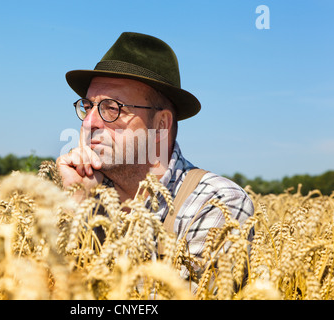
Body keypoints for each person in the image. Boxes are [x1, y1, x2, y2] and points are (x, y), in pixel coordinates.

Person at [57, 32, 254, 286]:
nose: (89, 121)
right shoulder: (78, 191)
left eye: (112, 107)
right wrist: (76, 208)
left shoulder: (216, 203)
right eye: (88, 106)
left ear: (161, 125)